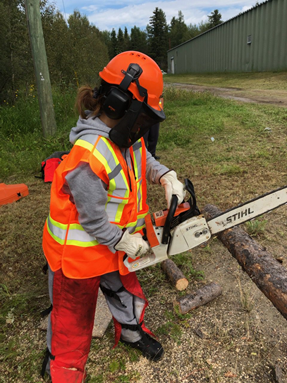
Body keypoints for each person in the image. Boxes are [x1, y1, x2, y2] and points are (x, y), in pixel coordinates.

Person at [41, 50, 185, 382]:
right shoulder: (87, 158)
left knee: (127, 294)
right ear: (118, 104)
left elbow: (144, 157)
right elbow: (91, 220)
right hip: (76, 259)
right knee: (72, 320)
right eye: (143, 117)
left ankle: (132, 333)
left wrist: (166, 176)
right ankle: (62, 367)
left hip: (112, 248)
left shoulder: (126, 136)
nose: (144, 126)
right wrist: (121, 240)